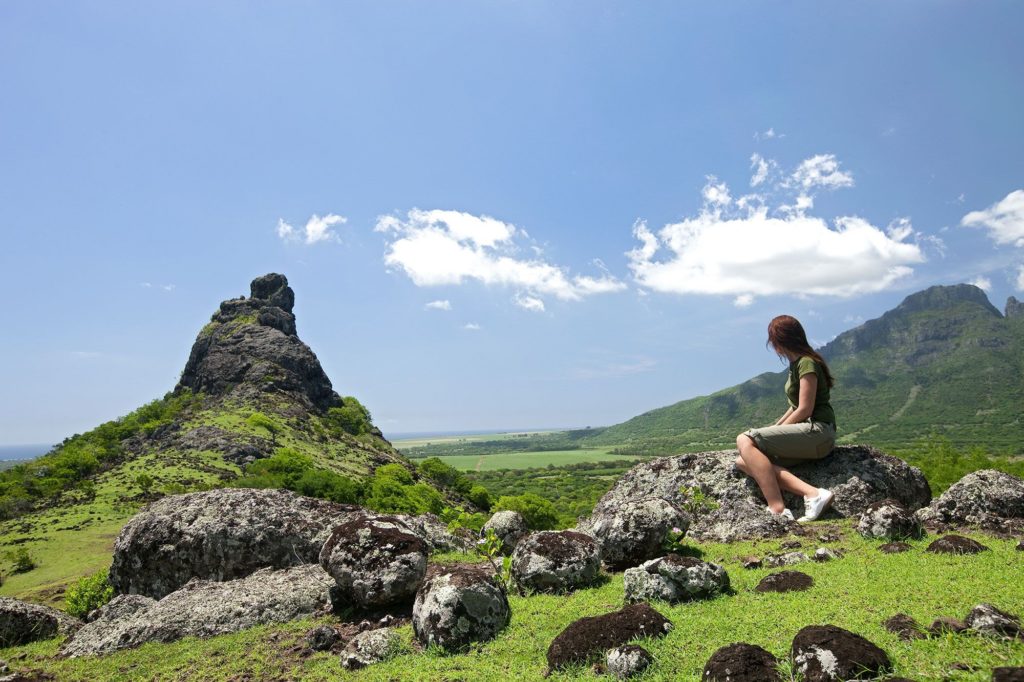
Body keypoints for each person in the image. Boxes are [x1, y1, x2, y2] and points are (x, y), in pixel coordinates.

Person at [734, 315, 836, 522]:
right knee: (744, 461)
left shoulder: (807, 363)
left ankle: (777, 509)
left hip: (818, 431)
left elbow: (805, 409)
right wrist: (773, 431)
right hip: (808, 434)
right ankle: (814, 494)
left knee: (744, 439)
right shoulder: (796, 365)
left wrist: (763, 438)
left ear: (779, 341)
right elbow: (794, 407)